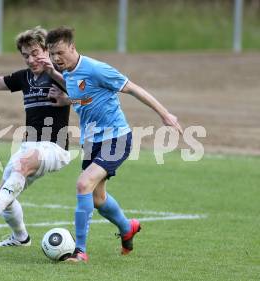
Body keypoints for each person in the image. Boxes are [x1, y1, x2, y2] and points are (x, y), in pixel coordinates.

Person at [44, 26, 183, 262]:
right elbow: (84, 96)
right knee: (97, 199)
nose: (56, 59)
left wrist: (165, 114)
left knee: (83, 184)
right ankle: (127, 227)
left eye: (60, 52)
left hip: (116, 138)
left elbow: (133, 88)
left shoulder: (97, 69)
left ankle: (80, 251)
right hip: (92, 142)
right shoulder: (67, 73)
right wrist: (65, 100)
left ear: (72, 47)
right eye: (52, 54)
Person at [0, 27, 71, 247]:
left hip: (55, 147)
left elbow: (85, 92)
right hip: (29, 145)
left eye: (35, 53)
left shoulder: (61, 72)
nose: (31, 59)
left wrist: (60, 87)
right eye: (25, 55)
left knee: (21, 167)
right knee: (5, 192)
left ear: (46, 49)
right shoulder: (23, 77)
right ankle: (21, 237)